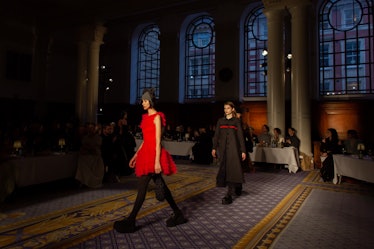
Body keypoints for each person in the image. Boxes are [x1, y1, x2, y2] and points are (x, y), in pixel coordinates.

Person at [114, 88, 187, 233]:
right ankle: (178, 213)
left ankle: (131, 221)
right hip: (145, 153)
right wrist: (135, 156)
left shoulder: (157, 117)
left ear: (151, 101)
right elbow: (145, 141)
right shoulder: (145, 117)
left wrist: (157, 162)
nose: (143, 103)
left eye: (145, 100)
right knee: (162, 187)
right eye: (142, 100)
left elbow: (157, 141)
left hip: (153, 155)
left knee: (142, 188)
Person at [211, 101, 246, 205]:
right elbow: (216, 135)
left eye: (228, 108)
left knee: (233, 169)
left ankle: (229, 195)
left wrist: (243, 150)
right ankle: (237, 186)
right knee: (225, 168)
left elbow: (240, 136)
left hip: (234, 149)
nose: (226, 110)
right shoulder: (220, 121)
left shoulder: (236, 121)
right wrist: (214, 148)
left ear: (232, 109)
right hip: (223, 149)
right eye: (224, 108)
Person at [75, 122, 105, 188]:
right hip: (86, 156)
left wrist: (90, 148)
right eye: (89, 128)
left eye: (91, 128)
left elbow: (95, 148)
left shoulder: (98, 138)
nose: (90, 129)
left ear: (94, 128)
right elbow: (83, 147)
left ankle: (92, 181)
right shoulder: (85, 138)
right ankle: (84, 181)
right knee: (81, 161)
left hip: (95, 157)